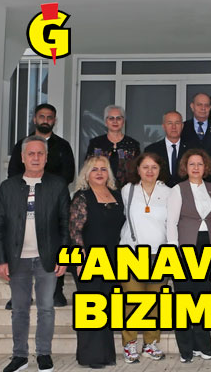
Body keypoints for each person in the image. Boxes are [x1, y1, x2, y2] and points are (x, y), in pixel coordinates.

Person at [0, 136, 69, 372]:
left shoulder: (58, 185)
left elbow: (65, 225)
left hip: (47, 258)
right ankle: (20, 356)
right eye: (31, 153)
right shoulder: (7, 187)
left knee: (46, 309)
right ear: (22, 157)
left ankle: (44, 354)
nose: (35, 158)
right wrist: (1, 260)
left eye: (40, 154)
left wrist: (64, 258)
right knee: (19, 310)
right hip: (17, 259)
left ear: (46, 158)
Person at [7, 103, 75, 308]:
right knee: (20, 241)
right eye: (42, 116)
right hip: (24, 199)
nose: (45, 120)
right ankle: (21, 293)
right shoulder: (22, 144)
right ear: (35, 119)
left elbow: (69, 174)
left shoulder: (62, 146)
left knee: (56, 241)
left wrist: (49, 187)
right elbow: (13, 173)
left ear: (54, 120)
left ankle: (56, 290)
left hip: (54, 201)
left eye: (49, 117)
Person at [69, 155, 125, 368]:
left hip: (112, 259)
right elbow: (75, 232)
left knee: (107, 307)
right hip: (88, 259)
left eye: (103, 169)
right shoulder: (81, 197)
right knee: (91, 307)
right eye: (94, 169)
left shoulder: (116, 195)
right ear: (86, 175)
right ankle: (90, 357)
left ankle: (106, 355)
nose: (99, 173)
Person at [166, 148, 211, 363]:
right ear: (185, 168)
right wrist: (174, 252)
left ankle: (203, 346)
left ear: (205, 167)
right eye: (192, 164)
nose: (196, 168)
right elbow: (171, 223)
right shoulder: (177, 190)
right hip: (185, 248)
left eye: (199, 164)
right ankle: (186, 349)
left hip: (208, 247)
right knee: (184, 299)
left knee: (203, 298)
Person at [119, 153, 172, 363]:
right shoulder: (128, 190)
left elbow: (172, 223)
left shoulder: (168, 193)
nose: (150, 171)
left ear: (160, 170)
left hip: (160, 253)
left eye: (154, 167)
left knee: (155, 302)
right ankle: (129, 343)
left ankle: (150, 343)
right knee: (132, 301)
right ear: (138, 169)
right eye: (145, 167)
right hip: (131, 252)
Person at [86, 105, 141, 187]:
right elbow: (88, 168)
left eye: (119, 118)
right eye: (111, 118)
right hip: (100, 189)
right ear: (105, 122)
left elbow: (138, 171)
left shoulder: (133, 144)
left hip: (126, 190)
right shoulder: (96, 143)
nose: (115, 121)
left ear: (123, 122)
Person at [181, 93, 211, 181]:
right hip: (188, 181)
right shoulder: (182, 128)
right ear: (192, 106)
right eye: (199, 105)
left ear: (210, 108)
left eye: (206, 105)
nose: (203, 108)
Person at [145, 110, 189, 187]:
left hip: (185, 192)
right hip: (159, 192)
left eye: (177, 123)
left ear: (182, 126)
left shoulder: (191, 150)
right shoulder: (151, 150)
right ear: (163, 126)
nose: (174, 127)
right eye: (170, 123)